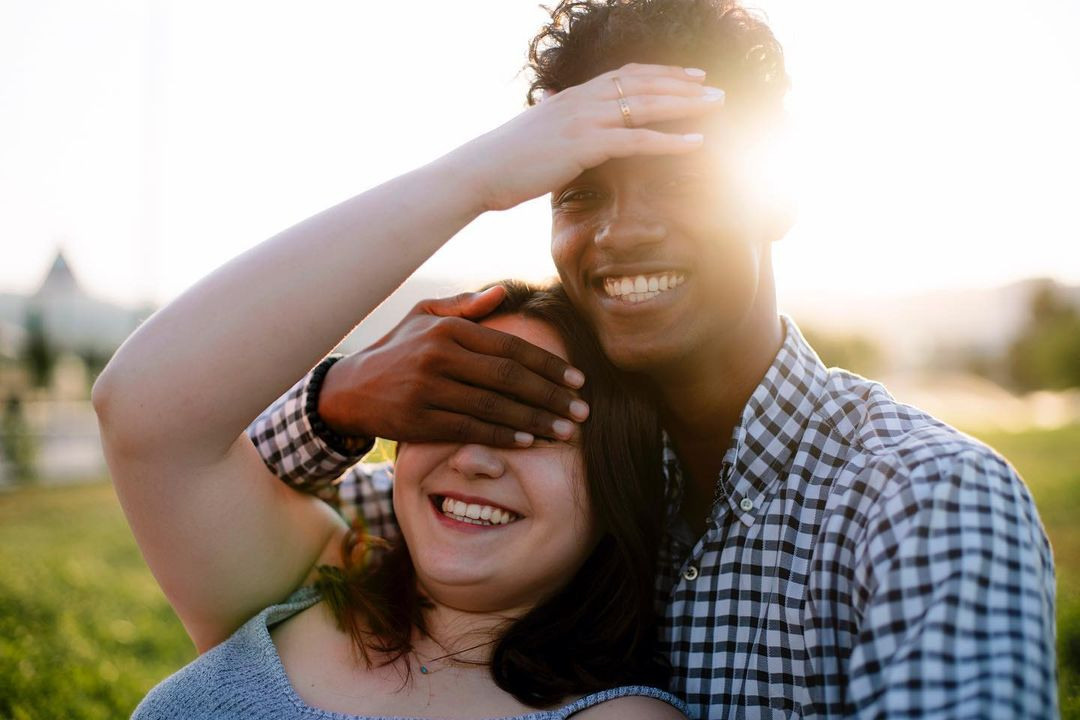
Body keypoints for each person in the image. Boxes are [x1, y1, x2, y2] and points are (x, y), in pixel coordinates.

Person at [249, 1, 1058, 718]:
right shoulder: (552, 474)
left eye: (678, 176)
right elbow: (213, 480)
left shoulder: (928, 501)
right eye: (581, 190)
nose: (620, 232)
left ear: (775, 191)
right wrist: (337, 401)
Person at [92, 59, 718, 718]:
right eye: (451, 405)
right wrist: (476, 179)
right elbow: (140, 404)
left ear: (618, 478)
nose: (474, 457)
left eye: (535, 424)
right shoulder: (307, 576)